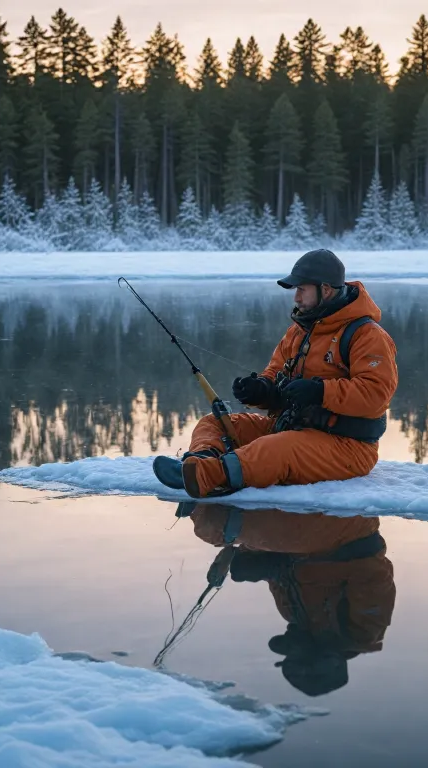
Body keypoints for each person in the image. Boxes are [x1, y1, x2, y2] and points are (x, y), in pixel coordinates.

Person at [153, 248, 398, 498]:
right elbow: (275, 372)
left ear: (325, 289)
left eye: (302, 289)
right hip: (291, 428)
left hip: (348, 447)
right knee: (214, 422)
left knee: (276, 449)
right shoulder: (299, 331)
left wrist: (320, 392)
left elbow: (375, 395)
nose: (296, 298)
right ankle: (197, 464)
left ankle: (211, 476)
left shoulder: (367, 335)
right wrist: (260, 390)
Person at [189, 503, 396, 696]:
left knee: (223, 523)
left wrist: (249, 562)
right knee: (221, 525)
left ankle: (200, 486)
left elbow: (283, 569)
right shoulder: (364, 629)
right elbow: (371, 571)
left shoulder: (294, 617)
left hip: (306, 539)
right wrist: (279, 567)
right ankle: (203, 485)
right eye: (295, 657)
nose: (292, 651)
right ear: (320, 660)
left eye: (290, 657)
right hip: (342, 530)